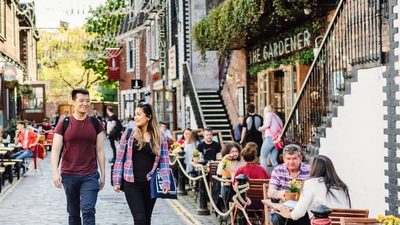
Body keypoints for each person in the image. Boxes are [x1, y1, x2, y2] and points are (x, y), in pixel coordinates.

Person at [51, 88, 106, 225]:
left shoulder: (95, 123)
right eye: (81, 101)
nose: (85, 104)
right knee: (73, 213)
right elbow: (56, 149)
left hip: (90, 174)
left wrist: (104, 174)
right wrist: (55, 172)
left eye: (88, 101)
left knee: (88, 209)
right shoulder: (64, 123)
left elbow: (100, 150)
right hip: (69, 174)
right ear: (73, 102)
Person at [112, 102, 171, 225]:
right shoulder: (128, 134)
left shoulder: (160, 137)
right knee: (139, 218)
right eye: (135, 114)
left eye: (139, 114)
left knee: (147, 219)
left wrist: (166, 181)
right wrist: (117, 180)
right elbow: (119, 159)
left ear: (148, 117)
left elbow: (164, 162)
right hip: (131, 183)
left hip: (151, 183)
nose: (135, 117)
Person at [277, 155, 351, 221]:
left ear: (314, 168)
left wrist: (287, 214)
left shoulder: (311, 183)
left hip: (323, 222)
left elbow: (299, 213)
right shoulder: (341, 185)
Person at [268, 144, 311, 225]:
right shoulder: (278, 170)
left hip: (302, 210)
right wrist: (282, 194)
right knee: (277, 219)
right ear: (283, 159)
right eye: (288, 159)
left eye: (294, 158)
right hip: (281, 210)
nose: (291, 162)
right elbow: (270, 192)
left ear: (300, 158)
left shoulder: (309, 170)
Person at [233, 142, 269, 209]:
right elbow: (268, 184)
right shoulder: (262, 170)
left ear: (243, 157)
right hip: (261, 202)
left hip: (245, 201)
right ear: (255, 157)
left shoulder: (240, 170)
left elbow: (235, 187)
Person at [258, 105, 283, 169]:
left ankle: (264, 175)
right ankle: (278, 173)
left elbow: (267, 125)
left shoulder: (269, 114)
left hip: (270, 138)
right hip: (276, 140)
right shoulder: (277, 117)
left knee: (263, 157)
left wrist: (260, 128)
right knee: (273, 160)